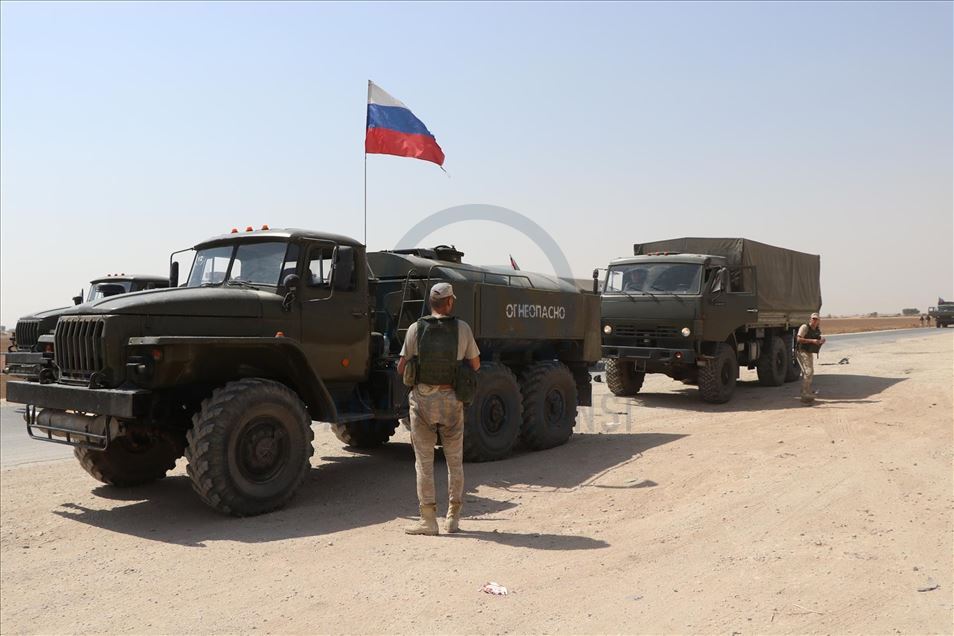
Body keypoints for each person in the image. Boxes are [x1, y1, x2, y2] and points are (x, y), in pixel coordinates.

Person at [397, 282, 480, 535]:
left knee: (424, 463)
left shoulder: (415, 328)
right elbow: (475, 365)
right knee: (455, 462)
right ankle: (453, 518)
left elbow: (402, 367)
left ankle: (428, 520)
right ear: (450, 302)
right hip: (451, 400)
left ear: (431, 303)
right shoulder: (462, 328)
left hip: (422, 401)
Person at [796, 312, 826, 404]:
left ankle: (807, 392)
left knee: (810, 371)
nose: (814, 321)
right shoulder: (805, 327)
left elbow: (817, 339)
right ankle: (804, 393)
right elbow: (798, 339)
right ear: (810, 319)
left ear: (819, 321)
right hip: (802, 351)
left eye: (816, 319)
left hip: (809, 351)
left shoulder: (816, 329)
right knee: (808, 371)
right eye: (813, 319)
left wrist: (820, 341)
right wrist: (812, 341)